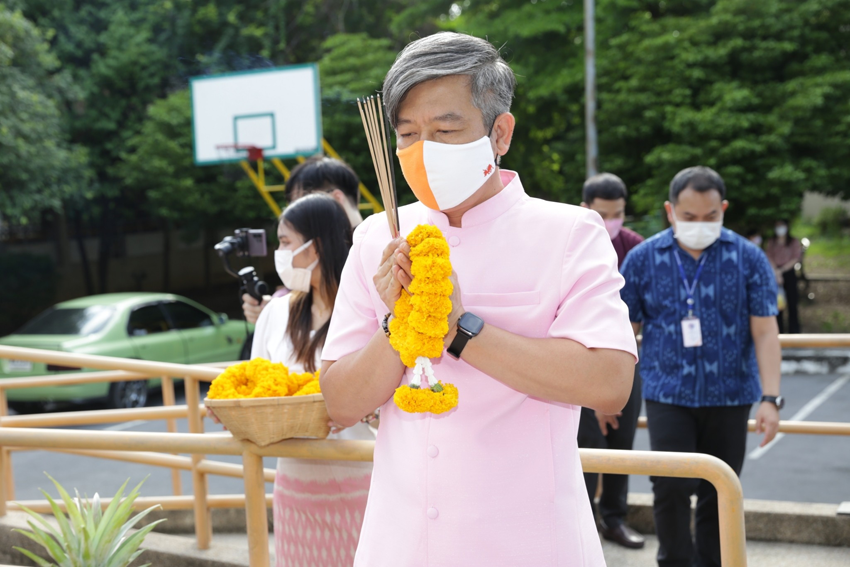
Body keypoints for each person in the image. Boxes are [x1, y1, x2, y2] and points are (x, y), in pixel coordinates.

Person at [320, 32, 637, 566]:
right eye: (408, 134)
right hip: (401, 544)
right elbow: (340, 403)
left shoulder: (569, 233)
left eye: (446, 130)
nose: (424, 151)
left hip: (531, 543)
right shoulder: (377, 238)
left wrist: (459, 328)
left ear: (501, 133)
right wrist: (400, 325)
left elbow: (609, 383)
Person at [619, 166, 783, 567]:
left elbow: (765, 332)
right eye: (689, 217)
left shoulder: (749, 258)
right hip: (667, 393)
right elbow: (623, 333)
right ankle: (674, 561)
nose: (699, 225)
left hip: (730, 395)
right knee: (670, 487)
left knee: (720, 492)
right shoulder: (642, 260)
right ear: (670, 211)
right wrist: (614, 396)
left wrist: (770, 398)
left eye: (710, 217)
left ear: (723, 209)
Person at [250, 193, 374, 567]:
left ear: (316, 245)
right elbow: (257, 384)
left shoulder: (366, 312)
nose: (280, 253)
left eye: (286, 243)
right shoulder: (276, 313)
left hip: (363, 481)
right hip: (296, 483)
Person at [577, 172, 645, 549]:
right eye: (604, 214)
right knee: (586, 444)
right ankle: (583, 521)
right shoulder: (569, 240)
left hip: (627, 356)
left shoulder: (635, 247)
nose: (612, 222)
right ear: (586, 208)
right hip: (578, 358)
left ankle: (615, 519)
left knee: (622, 442)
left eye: (618, 213)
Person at [242, 156, 364, 324]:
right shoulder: (288, 297)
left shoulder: (379, 251)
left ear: (335, 200)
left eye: (304, 203)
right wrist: (274, 313)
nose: (295, 215)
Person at [765, 220, 802, 333]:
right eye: (777, 226)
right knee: (777, 304)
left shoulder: (793, 242)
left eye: (782, 226)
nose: (780, 228)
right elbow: (769, 256)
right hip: (775, 272)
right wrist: (776, 271)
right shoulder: (772, 242)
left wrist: (782, 270)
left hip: (789, 272)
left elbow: (796, 258)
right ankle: (778, 331)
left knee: (792, 303)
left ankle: (794, 331)